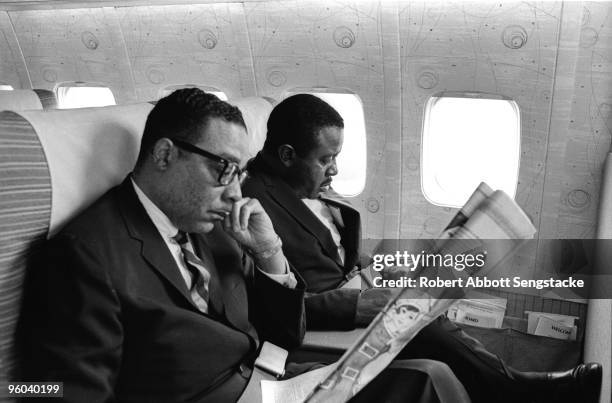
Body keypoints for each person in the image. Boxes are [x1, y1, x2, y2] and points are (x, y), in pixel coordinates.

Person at [20, 89, 471, 403]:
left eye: (238, 172)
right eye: (224, 169)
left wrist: (270, 254)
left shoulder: (212, 225)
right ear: (163, 155)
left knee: (429, 378)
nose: (237, 193)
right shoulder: (85, 254)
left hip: (272, 381)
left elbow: (285, 334)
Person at [241, 93, 603, 403]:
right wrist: (360, 302)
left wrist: (378, 271)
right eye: (325, 159)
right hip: (321, 323)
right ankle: (514, 388)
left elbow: (335, 255)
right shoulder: (252, 205)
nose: (334, 169)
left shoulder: (306, 184)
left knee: (429, 298)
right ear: (287, 155)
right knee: (423, 323)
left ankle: (508, 384)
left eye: (336, 157)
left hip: (356, 289)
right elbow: (269, 302)